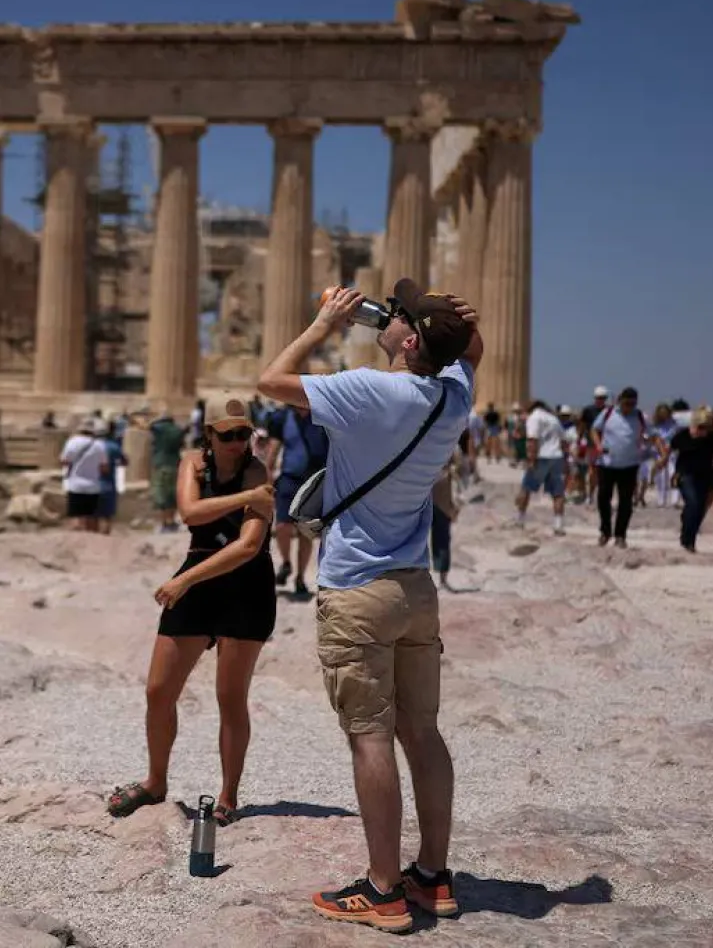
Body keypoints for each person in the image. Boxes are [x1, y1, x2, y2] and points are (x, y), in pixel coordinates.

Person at [259, 279, 480, 934]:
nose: (387, 315)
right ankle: (432, 876)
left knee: (370, 738)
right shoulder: (454, 396)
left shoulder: (369, 390)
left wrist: (326, 321)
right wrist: (455, 325)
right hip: (415, 587)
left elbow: (270, 381)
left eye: (399, 313)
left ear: (409, 342)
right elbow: (470, 354)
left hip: (358, 588)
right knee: (424, 733)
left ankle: (384, 890)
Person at [106, 399, 276, 827]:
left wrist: (184, 580)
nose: (238, 443)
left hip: (245, 585)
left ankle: (228, 796)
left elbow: (248, 545)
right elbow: (190, 512)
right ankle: (155, 782)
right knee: (158, 691)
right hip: (198, 580)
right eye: (228, 435)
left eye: (244, 434)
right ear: (209, 435)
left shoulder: (257, 471)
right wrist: (246, 499)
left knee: (230, 697)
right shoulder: (194, 465)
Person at [266, 400, 330, 599]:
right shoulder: (283, 418)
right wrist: (267, 477)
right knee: (282, 526)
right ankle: (286, 562)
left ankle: (300, 578)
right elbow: (273, 449)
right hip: (289, 478)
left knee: (305, 533)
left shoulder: (322, 418)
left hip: (313, 482)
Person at [665, 408, 713, 553]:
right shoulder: (683, 435)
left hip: (704, 476)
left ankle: (689, 538)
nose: (704, 431)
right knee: (693, 503)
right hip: (685, 475)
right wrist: (662, 462)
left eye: (707, 427)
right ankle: (688, 541)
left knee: (699, 509)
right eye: (701, 427)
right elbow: (669, 449)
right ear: (694, 425)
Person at [590, 387, 647, 548]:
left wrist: (651, 447)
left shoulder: (640, 416)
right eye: (627, 403)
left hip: (629, 465)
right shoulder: (608, 413)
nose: (629, 407)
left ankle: (620, 535)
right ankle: (605, 532)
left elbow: (652, 434)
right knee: (603, 498)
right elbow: (594, 429)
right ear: (620, 401)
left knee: (626, 502)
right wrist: (598, 445)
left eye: (633, 404)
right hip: (607, 464)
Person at [514, 399, 568, 535]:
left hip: (541, 457)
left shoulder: (534, 417)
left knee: (526, 488)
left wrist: (531, 460)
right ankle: (558, 524)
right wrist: (564, 460)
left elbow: (532, 440)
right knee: (558, 493)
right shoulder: (554, 419)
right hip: (556, 457)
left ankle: (520, 520)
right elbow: (564, 441)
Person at [60, 418, 110, 533]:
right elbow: (104, 468)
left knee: (76, 517)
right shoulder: (99, 445)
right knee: (91, 518)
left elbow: (64, 461)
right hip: (93, 486)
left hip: (75, 485)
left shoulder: (72, 442)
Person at [148, 409, 187, 532]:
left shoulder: (158, 428)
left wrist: (155, 419)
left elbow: (148, 425)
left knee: (162, 495)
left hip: (161, 464)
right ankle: (171, 521)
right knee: (173, 494)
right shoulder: (178, 430)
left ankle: (165, 523)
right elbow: (182, 444)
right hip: (175, 464)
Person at [431, 457, 458, 590]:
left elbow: (456, 493)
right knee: (437, 543)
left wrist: (454, 509)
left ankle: (442, 579)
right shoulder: (435, 471)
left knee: (442, 544)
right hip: (434, 508)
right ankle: (440, 579)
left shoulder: (449, 473)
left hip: (442, 510)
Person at [95, 419, 126, 535]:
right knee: (107, 516)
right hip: (109, 485)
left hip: (93, 484)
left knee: (94, 516)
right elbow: (124, 461)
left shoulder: (93, 446)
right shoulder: (114, 447)